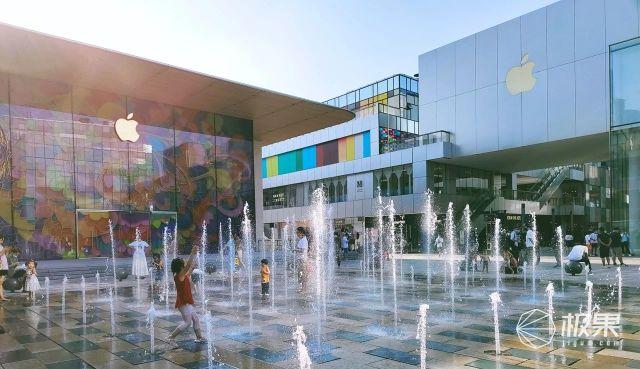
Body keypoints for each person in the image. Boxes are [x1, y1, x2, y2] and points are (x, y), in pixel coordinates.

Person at [166, 245, 205, 345]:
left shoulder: (181, 275)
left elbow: (188, 274)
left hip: (186, 301)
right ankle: (171, 337)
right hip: (184, 302)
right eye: (183, 263)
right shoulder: (179, 275)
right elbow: (187, 266)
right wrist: (193, 253)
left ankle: (199, 337)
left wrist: (192, 267)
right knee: (187, 322)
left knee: (195, 319)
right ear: (180, 266)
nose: (184, 263)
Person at [0, 236, 9, 301]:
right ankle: (2, 296)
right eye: (1, 239)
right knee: (1, 282)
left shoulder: (1, 246)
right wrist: (4, 250)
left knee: (1, 282)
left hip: (3, 266)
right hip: (2, 266)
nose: (2, 241)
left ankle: (2, 296)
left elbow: (3, 255)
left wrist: (6, 251)